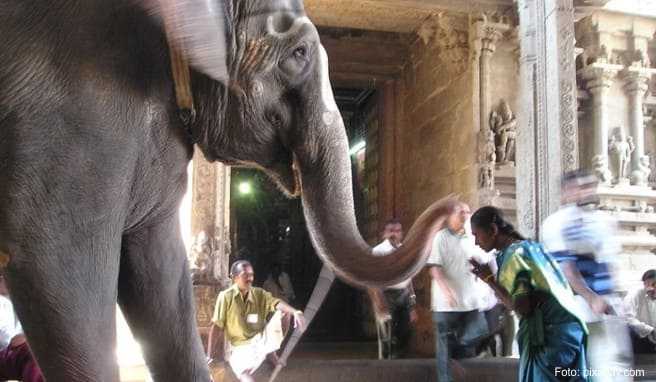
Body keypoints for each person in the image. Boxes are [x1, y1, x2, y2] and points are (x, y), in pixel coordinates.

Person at [470, 206, 589, 382]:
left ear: (493, 230)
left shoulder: (514, 255)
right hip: (569, 331)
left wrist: (489, 279)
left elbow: (522, 308)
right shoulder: (529, 247)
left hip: (548, 339)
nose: (475, 242)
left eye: (476, 234)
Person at [541, 169, 632, 381]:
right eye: (581, 187)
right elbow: (566, 268)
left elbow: (609, 262)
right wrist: (591, 297)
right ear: (567, 192)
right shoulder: (558, 223)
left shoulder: (603, 221)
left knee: (615, 367)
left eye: (590, 186)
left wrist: (617, 297)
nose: (587, 192)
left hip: (607, 304)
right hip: (575, 307)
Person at [206, 260, 305, 382]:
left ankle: (271, 353)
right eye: (245, 275)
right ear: (234, 278)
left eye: (251, 275)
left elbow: (277, 303)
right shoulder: (225, 297)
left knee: (285, 313)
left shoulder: (259, 293)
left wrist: (295, 312)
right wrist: (209, 356)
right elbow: (216, 327)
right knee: (245, 375)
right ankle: (266, 355)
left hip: (262, 340)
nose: (250, 278)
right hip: (239, 348)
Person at [427, 202, 489, 382]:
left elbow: (482, 262)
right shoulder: (441, 237)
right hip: (445, 305)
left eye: (468, 212)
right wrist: (446, 291)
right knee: (443, 350)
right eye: (461, 212)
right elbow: (434, 269)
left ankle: (454, 345)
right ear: (450, 216)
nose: (465, 215)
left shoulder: (471, 239)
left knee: (480, 329)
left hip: (470, 301)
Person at [372, 219, 418, 359]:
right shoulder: (378, 251)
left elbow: (409, 277)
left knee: (405, 332)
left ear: (401, 233)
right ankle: (385, 370)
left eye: (397, 231)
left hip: (404, 294)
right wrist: (379, 302)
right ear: (384, 234)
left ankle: (400, 368)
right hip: (386, 295)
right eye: (391, 231)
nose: (394, 234)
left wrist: (412, 304)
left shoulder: (405, 250)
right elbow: (372, 279)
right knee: (387, 336)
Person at [0, 274, 44, 382]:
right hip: (8, 353)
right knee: (33, 356)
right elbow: (11, 340)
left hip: (19, 349)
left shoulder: (18, 300)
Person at [624, 269, 656, 353]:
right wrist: (650, 330)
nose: (653, 289)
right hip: (638, 336)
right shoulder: (634, 295)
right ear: (645, 284)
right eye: (651, 285)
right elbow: (628, 319)